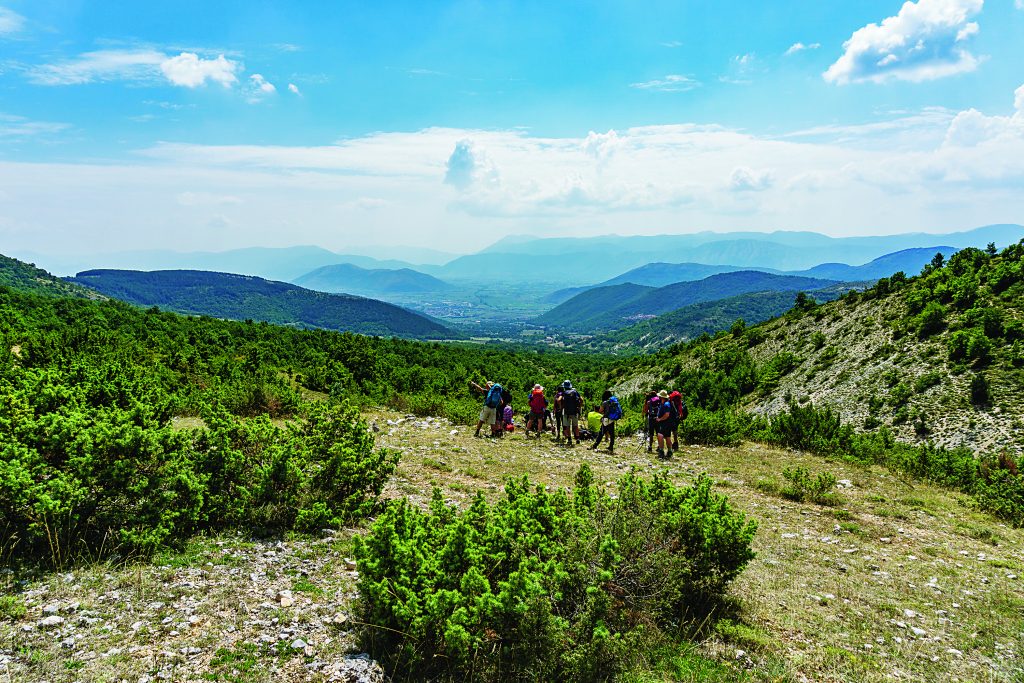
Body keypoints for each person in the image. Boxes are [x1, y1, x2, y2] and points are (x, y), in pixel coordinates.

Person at [654, 389, 678, 458]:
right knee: (667, 437)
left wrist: (659, 419)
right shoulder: (665, 403)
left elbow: (667, 414)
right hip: (668, 423)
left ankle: (661, 451)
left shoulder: (666, 404)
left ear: (661, 397)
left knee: (660, 435)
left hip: (665, 423)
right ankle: (669, 451)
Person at [560, 380, 582, 446]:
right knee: (575, 426)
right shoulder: (575, 392)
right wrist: (579, 406)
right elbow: (581, 399)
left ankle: (569, 439)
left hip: (566, 412)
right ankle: (577, 439)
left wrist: (562, 407)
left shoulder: (564, 393)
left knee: (567, 426)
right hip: (574, 411)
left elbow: (559, 400)